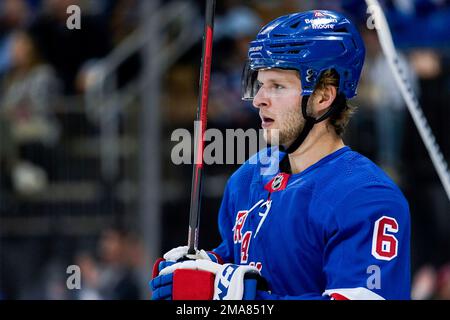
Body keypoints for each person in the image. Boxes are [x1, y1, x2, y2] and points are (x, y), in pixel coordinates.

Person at [150, 10, 411, 300]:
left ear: (323, 97)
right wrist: (207, 269)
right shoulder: (247, 178)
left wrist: (247, 300)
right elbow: (240, 260)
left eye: (277, 86)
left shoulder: (367, 197)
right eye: (260, 84)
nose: (260, 99)